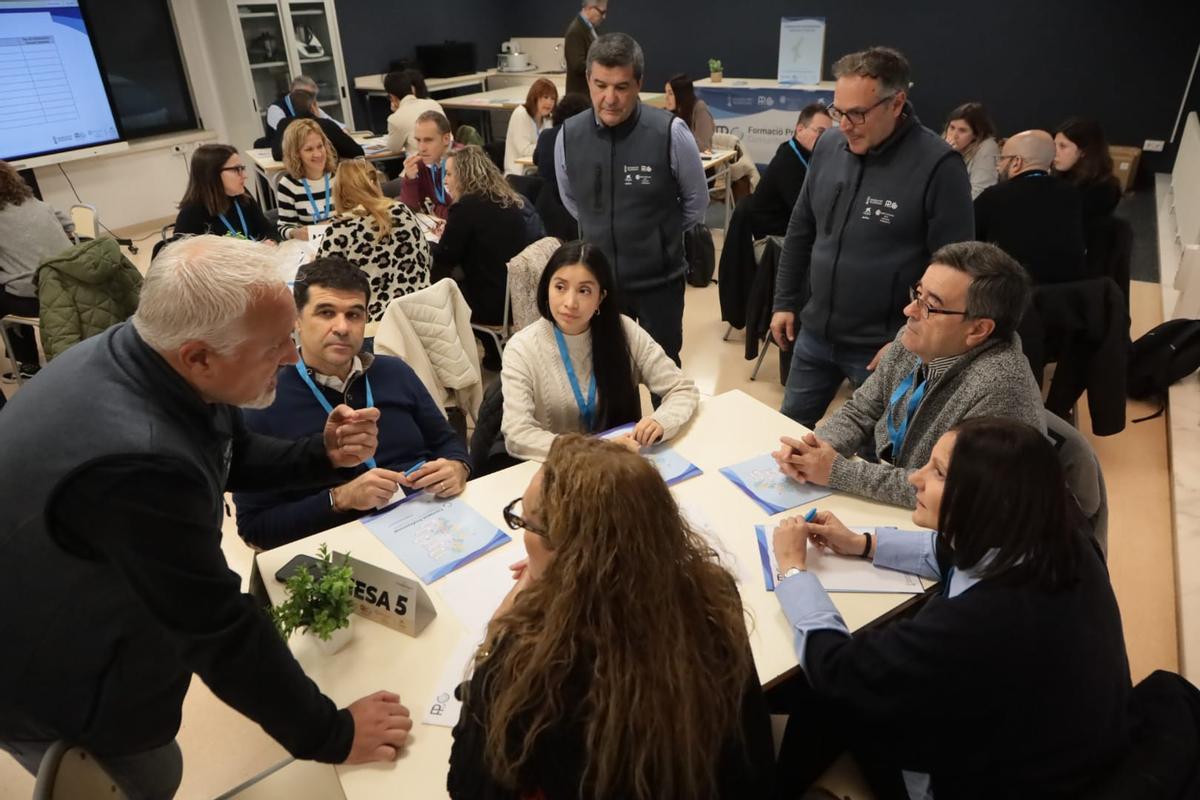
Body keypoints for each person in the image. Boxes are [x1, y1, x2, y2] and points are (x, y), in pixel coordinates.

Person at [0, 236, 414, 798]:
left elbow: (230, 450)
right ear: (199, 356)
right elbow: (219, 628)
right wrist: (332, 734)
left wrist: (319, 454)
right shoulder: (136, 463)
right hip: (52, 669)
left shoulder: (159, 353)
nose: (293, 356)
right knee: (145, 773)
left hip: (93, 589)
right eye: (274, 347)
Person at [770, 417, 1130, 797]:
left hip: (989, 780)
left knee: (813, 690)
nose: (915, 479)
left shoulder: (979, 623)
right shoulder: (1054, 525)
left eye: (938, 473)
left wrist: (793, 570)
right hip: (1063, 742)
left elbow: (836, 669)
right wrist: (863, 543)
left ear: (984, 499)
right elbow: (958, 551)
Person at [448, 434, 775, 799]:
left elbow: (467, 786)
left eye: (527, 523)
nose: (523, 530)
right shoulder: (713, 595)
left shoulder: (528, 663)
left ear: (570, 556)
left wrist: (494, 637)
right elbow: (754, 744)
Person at [769, 46, 974, 429]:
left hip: (884, 347)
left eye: (857, 114)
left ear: (897, 103)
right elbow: (801, 230)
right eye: (837, 111)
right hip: (815, 335)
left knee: (872, 454)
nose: (844, 124)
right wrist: (783, 301)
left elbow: (954, 271)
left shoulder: (938, 166)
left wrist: (907, 341)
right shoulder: (829, 146)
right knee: (788, 434)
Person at [771, 241, 1044, 508]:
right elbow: (862, 410)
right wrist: (813, 450)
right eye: (917, 294)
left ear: (977, 330)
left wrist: (837, 472)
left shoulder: (1001, 388)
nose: (910, 311)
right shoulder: (915, 339)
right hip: (897, 492)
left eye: (931, 306)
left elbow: (952, 492)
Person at [234, 257, 468, 549]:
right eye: (326, 312)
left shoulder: (395, 372)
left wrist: (458, 467)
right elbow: (256, 528)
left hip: (431, 524)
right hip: (341, 547)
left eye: (354, 315)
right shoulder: (263, 399)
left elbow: (449, 442)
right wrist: (340, 498)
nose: (342, 327)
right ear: (296, 318)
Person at [556, 33, 708, 367]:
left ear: (639, 84)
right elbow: (572, 200)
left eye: (621, 87)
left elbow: (696, 201)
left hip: (660, 286)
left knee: (663, 375)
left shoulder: (670, 132)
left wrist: (658, 232)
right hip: (600, 286)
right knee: (610, 376)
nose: (609, 98)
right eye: (600, 85)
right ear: (588, 81)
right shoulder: (568, 135)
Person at [501, 240, 699, 461]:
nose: (570, 302)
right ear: (546, 288)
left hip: (620, 466)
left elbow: (682, 389)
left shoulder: (624, 331)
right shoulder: (521, 348)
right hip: (557, 471)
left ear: (600, 298)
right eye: (560, 287)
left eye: (584, 290)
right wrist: (593, 448)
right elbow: (517, 435)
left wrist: (661, 421)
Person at [433, 146, 543, 339]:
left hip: (490, 305)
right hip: (517, 297)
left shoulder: (465, 208)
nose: (445, 180)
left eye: (449, 174)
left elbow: (445, 259)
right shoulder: (508, 200)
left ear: (463, 175)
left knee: (434, 284)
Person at [318, 159, 432, 319]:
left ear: (340, 190)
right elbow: (426, 258)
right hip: (423, 314)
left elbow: (322, 288)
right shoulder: (401, 210)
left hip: (377, 327)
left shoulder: (340, 229)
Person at [974, 130, 1087, 284]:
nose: (998, 166)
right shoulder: (1072, 195)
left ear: (1016, 162)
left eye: (1001, 159)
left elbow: (966, 243)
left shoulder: (993, 197)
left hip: (1010, 298)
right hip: (1067, 299)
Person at [0, 160, 72, 379]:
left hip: (38, 298)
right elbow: (69, 226)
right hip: (71, 283)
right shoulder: (39, 205)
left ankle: (28, 362)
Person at [749, 102, 833, 238]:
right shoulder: (788, 160)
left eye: (829, 134)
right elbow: (805, 212)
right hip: (772, 240)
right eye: (820, 132)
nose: (825, 139)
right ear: (800, 129)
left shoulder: (807, 154)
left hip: (789, 228)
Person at [175, 144, 278, 241]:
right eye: (236, 169)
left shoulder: (242, 195)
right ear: (212, 174)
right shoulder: (191, 212)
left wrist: (270, 241)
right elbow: (176, 255)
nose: (245, 175)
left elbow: (266, 229)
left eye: (242, 168)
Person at [275, 118, 340, 241]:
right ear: (296, 154)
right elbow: (284, 227)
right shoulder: (288, 184)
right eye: (309, 149)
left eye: (320, 146)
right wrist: (295, 233)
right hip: (309, 248)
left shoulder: (339, 176)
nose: (318, 154)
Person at [1053, 116, 1122, 227]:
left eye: (1063, 146)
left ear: (1084, 151)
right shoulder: (1062, 174)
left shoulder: (1103, 189)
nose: (1054, 152)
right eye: (1054, 145)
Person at [398, 110, 462, 220]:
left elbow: (464, 215)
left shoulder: (462, 162)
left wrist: (436, 209)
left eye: (428, 140)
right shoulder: (422, 163)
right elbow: (409, 211)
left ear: (446, 139)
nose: (421, 148)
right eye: (418, 140)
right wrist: (410, 179)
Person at [271, 88, 363, 163]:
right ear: (313, 106)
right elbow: (357, 152)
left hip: (297, 177)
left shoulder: (284, 124)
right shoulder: (325, 125)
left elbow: (277, 155)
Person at [532, 92, 590, 198]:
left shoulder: (545, 135)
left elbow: (535, 160)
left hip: (544, 201)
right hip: (570, 203)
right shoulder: (583, 139)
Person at [943, 101, 1000, 199]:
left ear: (977, 134)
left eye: (962, 130)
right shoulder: (940, 144)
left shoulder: (987, 147)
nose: (954, 135)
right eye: (952, 127)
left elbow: (980, 193)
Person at [384, 70, 446, 155]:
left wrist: (397, 113)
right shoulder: (433, 103)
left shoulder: (396, 118)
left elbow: (394, 148)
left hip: (423, 165)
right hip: (450, 161)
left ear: (392, 97)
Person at [504, 78, 559, 175]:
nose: (549, 102)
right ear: (535, 97)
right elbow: (524, 150)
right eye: (545, 97)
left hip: (536, 171)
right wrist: (546, 147)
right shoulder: (521, 114)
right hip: (518, 174)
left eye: (553, 99)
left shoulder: (548, 119)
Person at [266, 75, 346, 133]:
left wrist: (342, 130)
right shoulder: (275, 109)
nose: (312, 100)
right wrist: (318, 121)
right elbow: (291, 134)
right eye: (308, 95)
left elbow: (338, 126)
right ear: (294, 93)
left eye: (313, 96)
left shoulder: (310, 106)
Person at [564, 0, 607, 95]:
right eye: (602, 12)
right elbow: (577, 65)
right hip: (580, 96)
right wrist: (602, 64)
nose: (604, 17)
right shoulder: (575, 31)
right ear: (589, 8)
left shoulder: (590, 28)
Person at [664, 73, 715, 153]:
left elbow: (704, 146)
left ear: (681, 95)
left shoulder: (699, 108)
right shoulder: (668, 113)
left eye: (670, 93)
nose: (666, 97)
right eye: (666, 92)